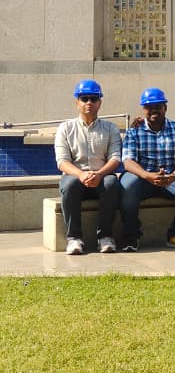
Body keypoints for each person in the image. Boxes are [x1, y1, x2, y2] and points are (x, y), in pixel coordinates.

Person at [119, 88, 175, 251]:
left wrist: (174, 175)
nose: (154, 110)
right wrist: (147, 175)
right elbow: (128, 161)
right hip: (143, 180)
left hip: (172, 180)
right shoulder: (134, 130)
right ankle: (131, 237)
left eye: (158, 106)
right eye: (149, 107)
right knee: (127, 183)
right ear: (143, 109)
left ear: (165, 108)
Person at [54, 80, 122, 255]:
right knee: (70, 185)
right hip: (75, 176)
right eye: (84, 99)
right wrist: (81, 174)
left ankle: (105, 237)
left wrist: (99, 174)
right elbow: (62, 162)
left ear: (100, 102)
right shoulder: (65, 128)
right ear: (77, 102)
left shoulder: (110, 128)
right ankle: (74, 238)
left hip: (102, 176)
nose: (89, 103)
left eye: (93, 98)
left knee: (111, 183)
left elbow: (115, 159)